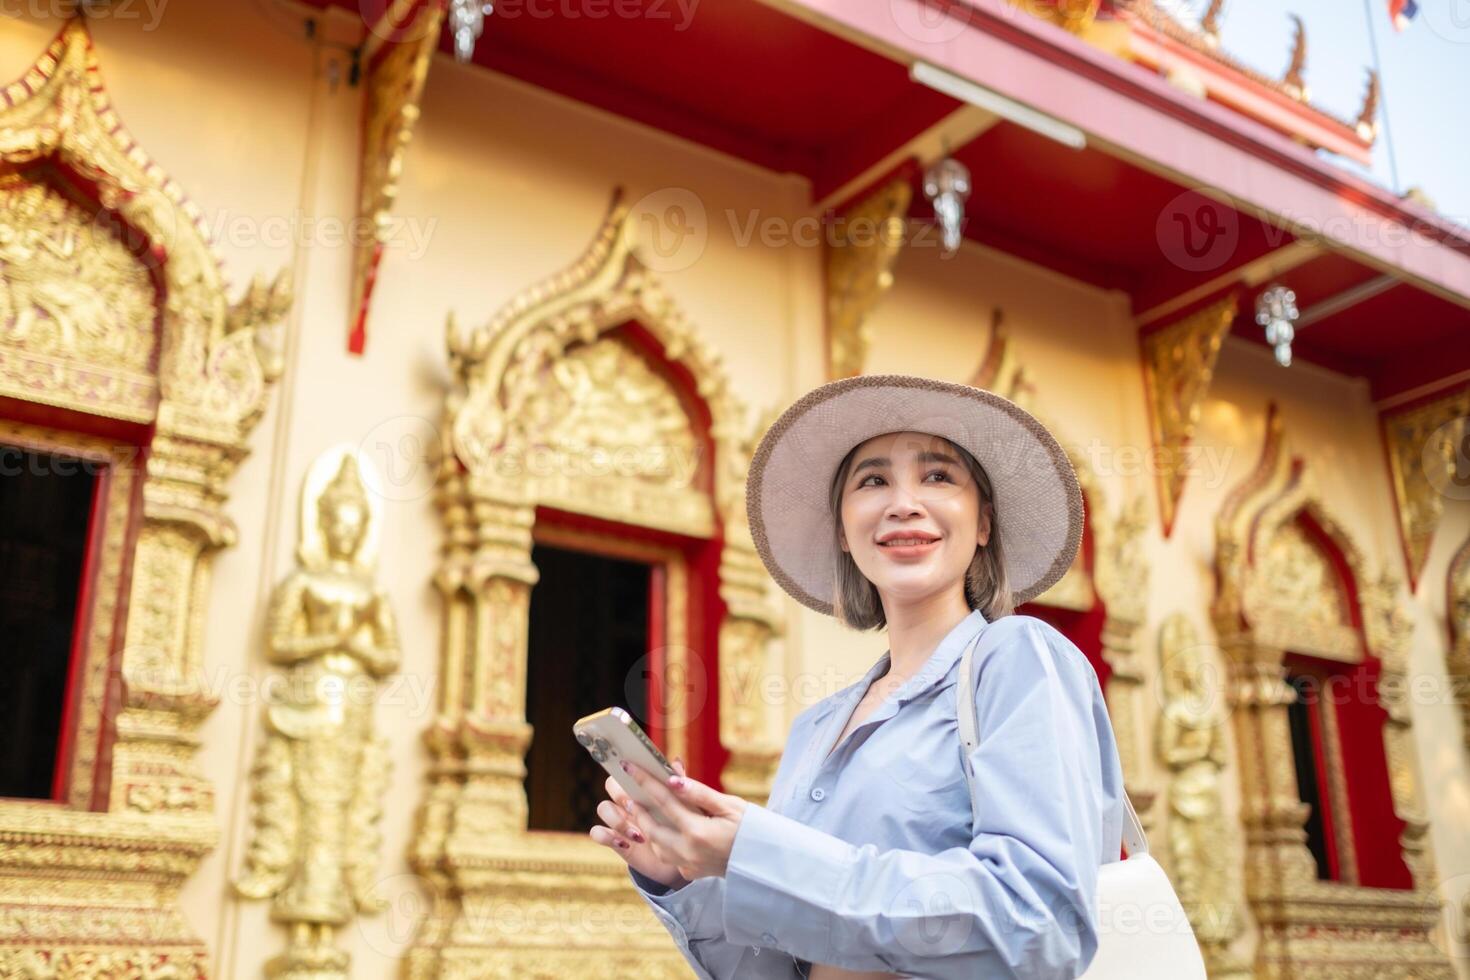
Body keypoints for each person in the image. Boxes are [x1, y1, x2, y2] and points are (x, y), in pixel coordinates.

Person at [590, 374, 1126, 979]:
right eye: (873, 481)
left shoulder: (1018, 658)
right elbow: (781, 969)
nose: (903, 502)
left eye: (938, 476)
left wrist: (762, 853)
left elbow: (1039, 923)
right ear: (844, 532)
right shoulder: (817, 726)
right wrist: (683, 876)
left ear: (983, 523)